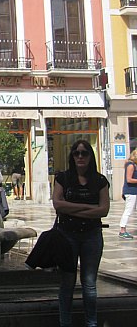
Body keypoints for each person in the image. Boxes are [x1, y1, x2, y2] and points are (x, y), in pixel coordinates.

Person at [53, 139, 110, 327]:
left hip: (91, 235)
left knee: (90, 283)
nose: (80, 156)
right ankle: (65, 323)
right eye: (76, 153)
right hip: (67, 235)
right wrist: (88, 207)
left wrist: (72, 208)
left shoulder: (100, 180)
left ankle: (91, 323)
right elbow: (58, 204)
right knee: (67, 283)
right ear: (72, 156)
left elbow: (103, 210)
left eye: (84, 153)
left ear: (90, 156)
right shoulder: (63, 178)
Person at [119, 148, 137, 239]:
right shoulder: (131, 165)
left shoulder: (134, 165)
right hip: (131, 192)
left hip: (134, 191)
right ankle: (122, 230)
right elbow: (129, 179)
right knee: (128, 211)